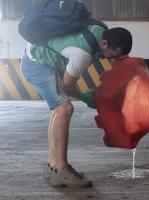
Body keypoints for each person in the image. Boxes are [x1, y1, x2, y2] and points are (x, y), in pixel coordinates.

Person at [20, 26, 133, 187]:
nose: (109, 59)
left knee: (58, 110)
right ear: (105, 43)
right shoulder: (82, 54)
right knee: (64, 109)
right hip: (36, 63)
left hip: (39, 56)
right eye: (111, 55)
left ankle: (52, 165)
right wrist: (87, 97)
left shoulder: (100, 30)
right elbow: (68, 85)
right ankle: (61, 170)